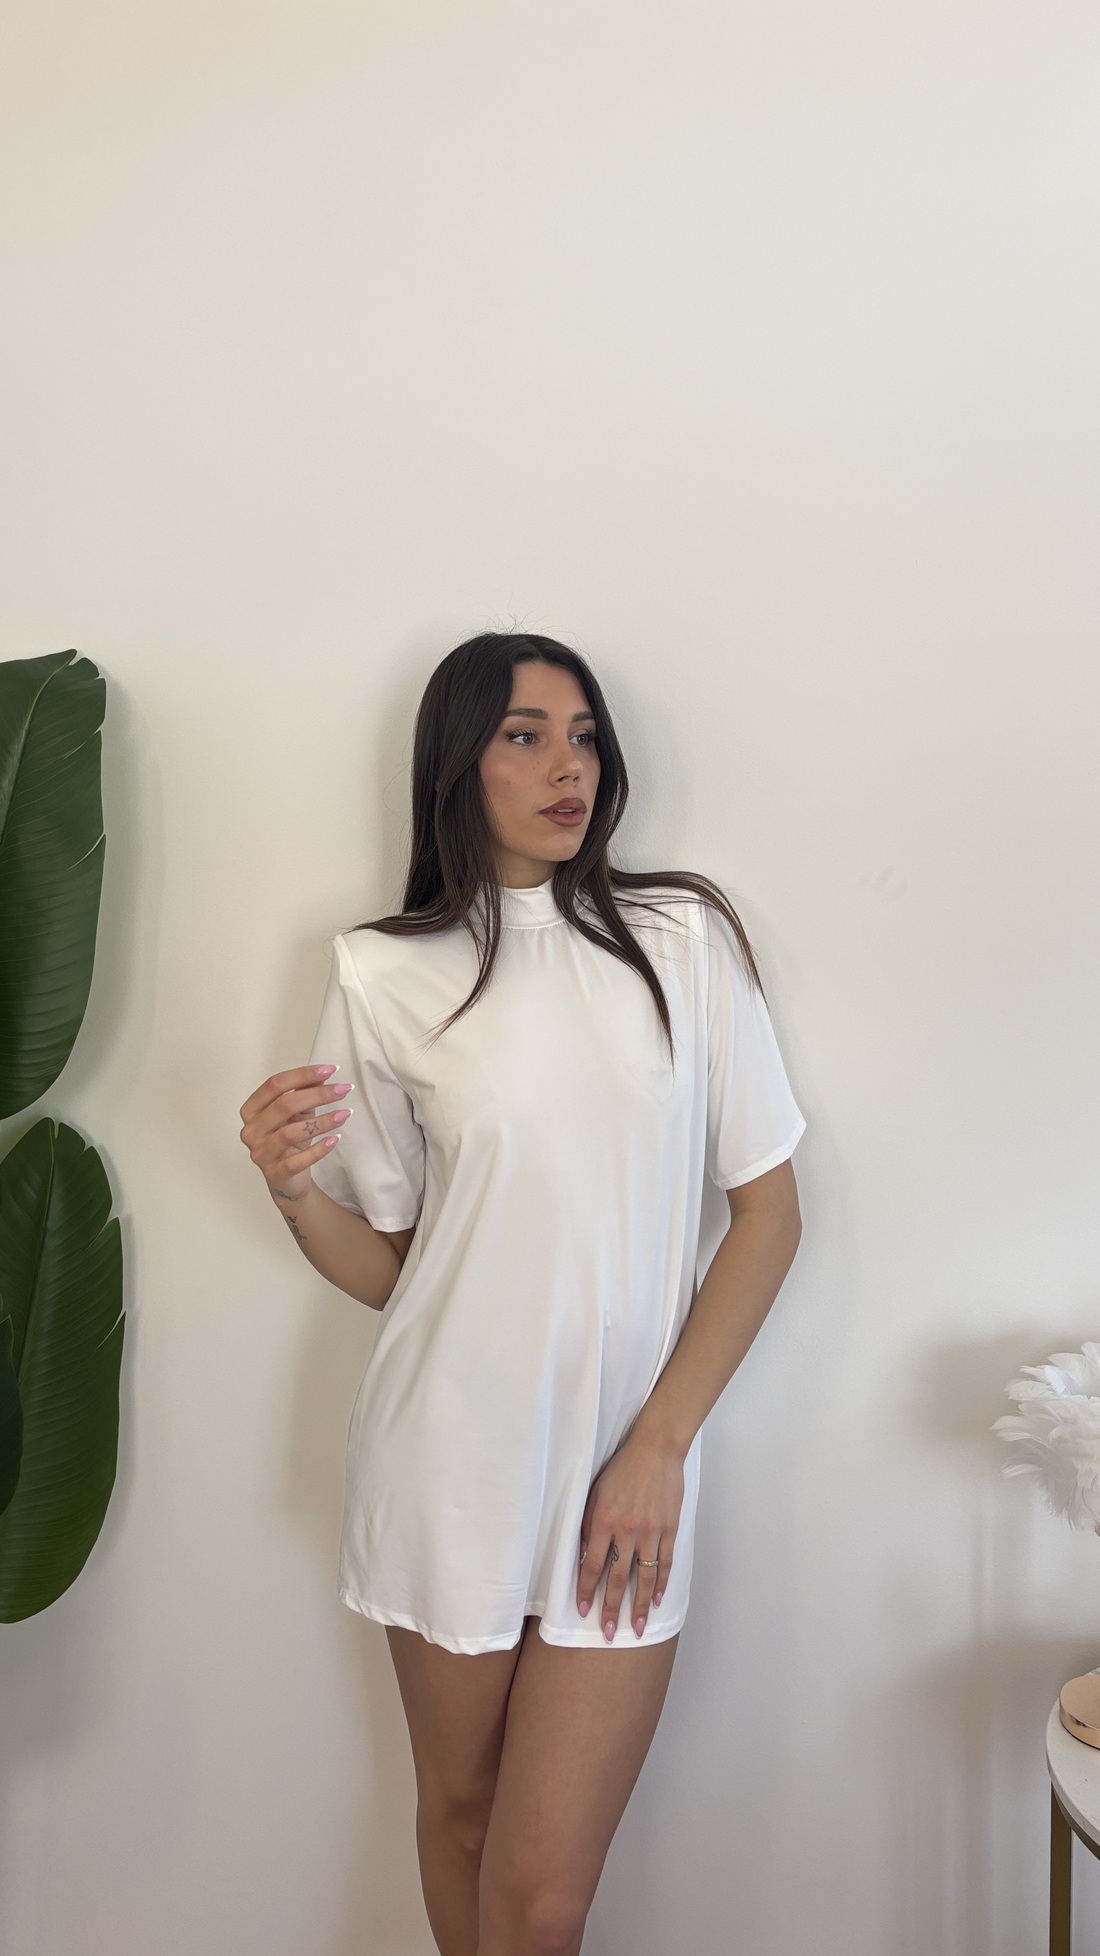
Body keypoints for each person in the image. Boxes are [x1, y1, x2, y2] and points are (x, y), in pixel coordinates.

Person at [239, 631, 805, 1956]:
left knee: (545, 1898)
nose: (570, 767)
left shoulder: (682, 940)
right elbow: (402, 1272)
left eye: (585, 736)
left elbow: (770, 1217)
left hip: (628, 1472)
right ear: (457, 764)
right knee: (463, 1815)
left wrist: (658, 1447)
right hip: (449, 1461)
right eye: (526, 735)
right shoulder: (381, 973)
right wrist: (293, 1194)